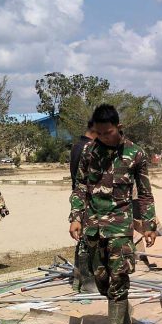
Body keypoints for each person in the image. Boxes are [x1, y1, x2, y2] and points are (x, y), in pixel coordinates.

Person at [69, 104, 158, 324]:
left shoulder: (135, 154)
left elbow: (145, 194)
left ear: (119, 127)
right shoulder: (88, 152)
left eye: (108, 132)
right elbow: (79, 187)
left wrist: (149, 224)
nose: (103, 138)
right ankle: (123, 319)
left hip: (120, 226)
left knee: (119, 278)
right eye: (99, 133)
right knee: (101, 280)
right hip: (93, 226)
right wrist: (75, 217)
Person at [70, 121, 98, 293]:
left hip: (81, 202)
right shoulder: (87, 148)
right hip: (86, 202)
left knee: (83, 241)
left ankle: (80, 278)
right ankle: (87, 281)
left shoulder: (77, 146)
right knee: (87, 243)